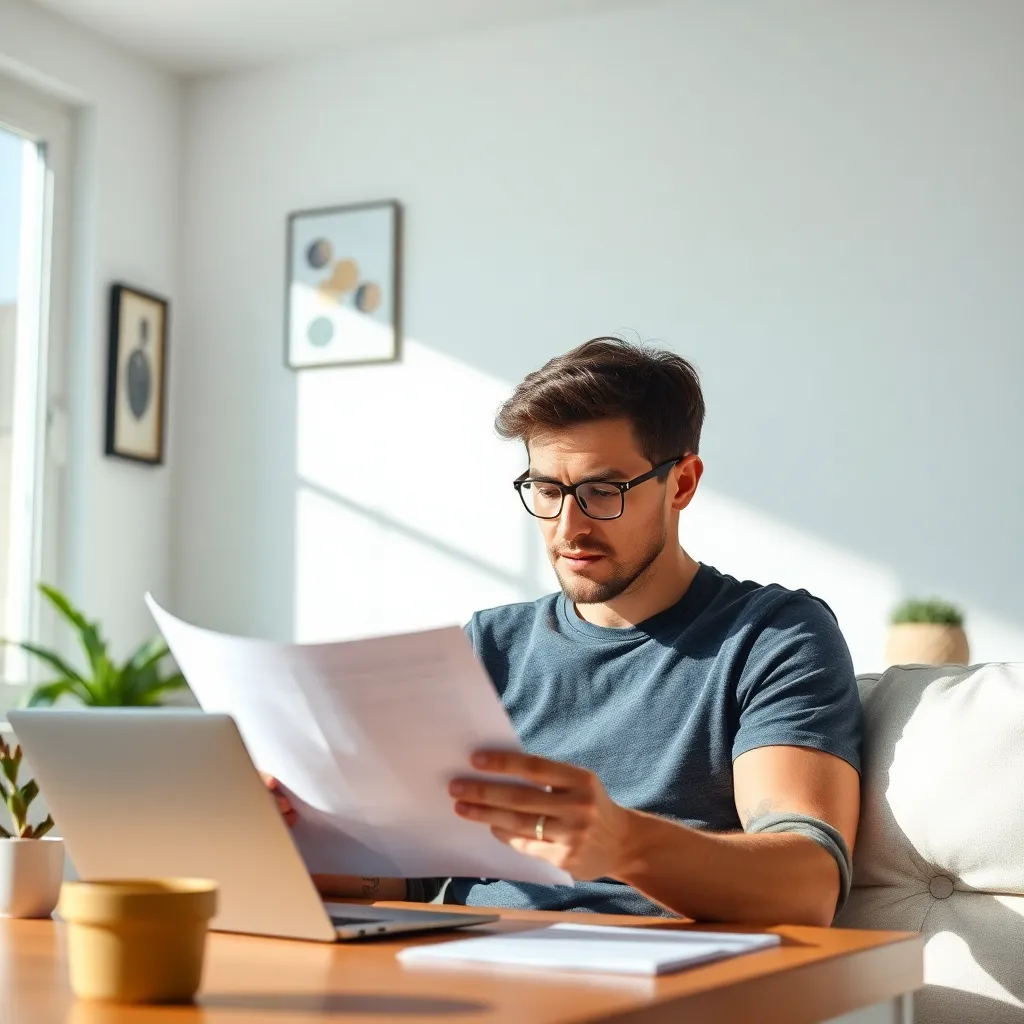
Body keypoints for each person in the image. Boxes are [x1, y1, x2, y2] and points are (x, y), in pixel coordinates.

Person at [267, 337, 862, 925]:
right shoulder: (489, 645)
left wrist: (623, 842)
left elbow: (807, 885)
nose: (567, 526)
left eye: (602, 491)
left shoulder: (771, 636)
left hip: (652, 979)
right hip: (469, 966)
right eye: (547, 491)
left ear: (680, 483)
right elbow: (414, 874)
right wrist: (299, 839)